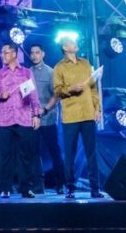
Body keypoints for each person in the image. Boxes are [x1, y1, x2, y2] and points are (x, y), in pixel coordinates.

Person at [53, 36, 102, 199]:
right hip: (71, 116)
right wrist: (71, 89)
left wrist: (97, 108)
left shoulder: (85, 63)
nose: (75, 44)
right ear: (64, 48)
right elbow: (57, 90)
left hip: (88, 113)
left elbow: (93, 88)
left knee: (91, 153)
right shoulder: (59, 67)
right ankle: (69, 187)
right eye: (71, 42)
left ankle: (95, 188)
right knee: (70, 154)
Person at [0, 43, 40, 198]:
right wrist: (0, 95)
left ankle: (26, 188)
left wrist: (36, 115)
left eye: (5, 52)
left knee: (25, 155)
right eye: (2, 53)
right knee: (5, 156)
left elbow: (33, 95)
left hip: (24, 118)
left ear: (14, 54)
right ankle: (5, 188)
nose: (3, 55)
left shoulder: (26, 72)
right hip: (5, 120)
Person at [28, 43, 65, 195]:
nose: (34, 55)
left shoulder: (51, 72)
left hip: (48, 119)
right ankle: (38, 186)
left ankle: (60, 184)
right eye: (32, 53)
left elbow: (56, 95)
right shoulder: (27, 73)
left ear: (43, 54)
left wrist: (45, 109)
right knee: (33, 153)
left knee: (54, 151)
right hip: (32, 120)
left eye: (37, 52)